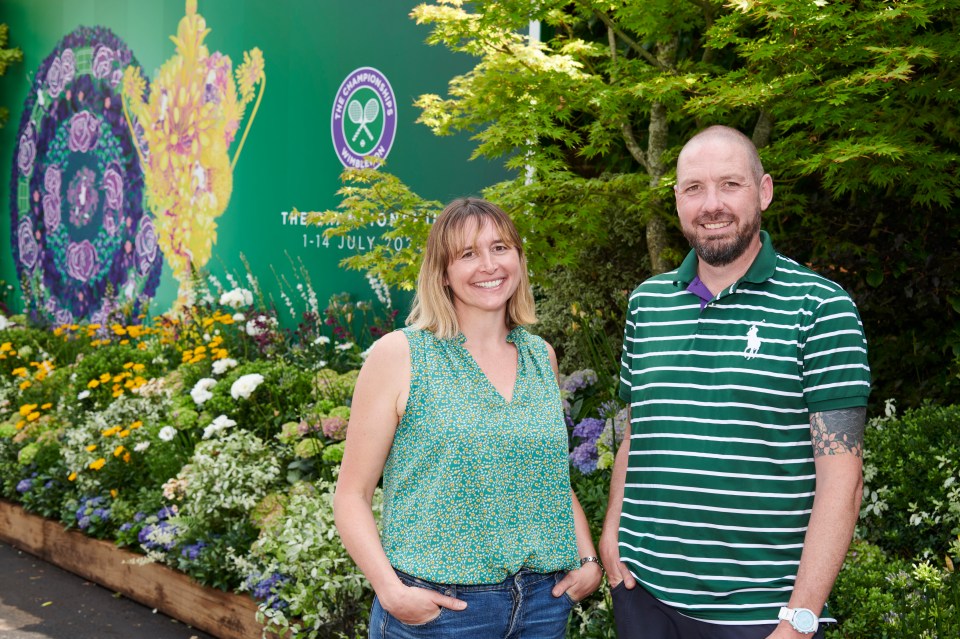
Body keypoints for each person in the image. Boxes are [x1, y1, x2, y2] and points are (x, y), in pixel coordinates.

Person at [599, 126, 871, 639]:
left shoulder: (820, 307)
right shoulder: (647, 304)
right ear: (677, 200)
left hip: (762, 615)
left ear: (763, 191)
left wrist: (801, 617)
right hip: (643, 595)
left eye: (730, 184)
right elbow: (637, 431)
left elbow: (843, 479)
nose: (711, 204)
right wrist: (613, 529)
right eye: (694, 188)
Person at [334, 198, 603, 639]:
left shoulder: (541, 356)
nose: (489, 265)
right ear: (442, 272)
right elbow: (351, 495)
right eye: (467, 254)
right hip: (441, 611)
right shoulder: (401, 355)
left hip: (542, 605)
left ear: (518, 258)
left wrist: (589, 559)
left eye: (500, 248)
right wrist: (390, 590)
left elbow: (550, 478)